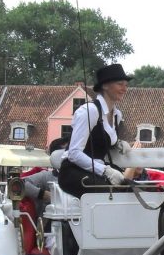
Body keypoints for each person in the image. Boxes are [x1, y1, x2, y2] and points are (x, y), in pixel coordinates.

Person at [57, 63, 137, 198]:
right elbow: (74, 153)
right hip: (73, 172)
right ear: (105, 86)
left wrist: (118, 143)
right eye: (120, 84)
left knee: (139, 191)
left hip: (96, 171)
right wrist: (106, 171)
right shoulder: (89, 111)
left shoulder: (117, 115)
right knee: (114, 195)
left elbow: (100, 140)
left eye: (126, 85)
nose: (124, 88)